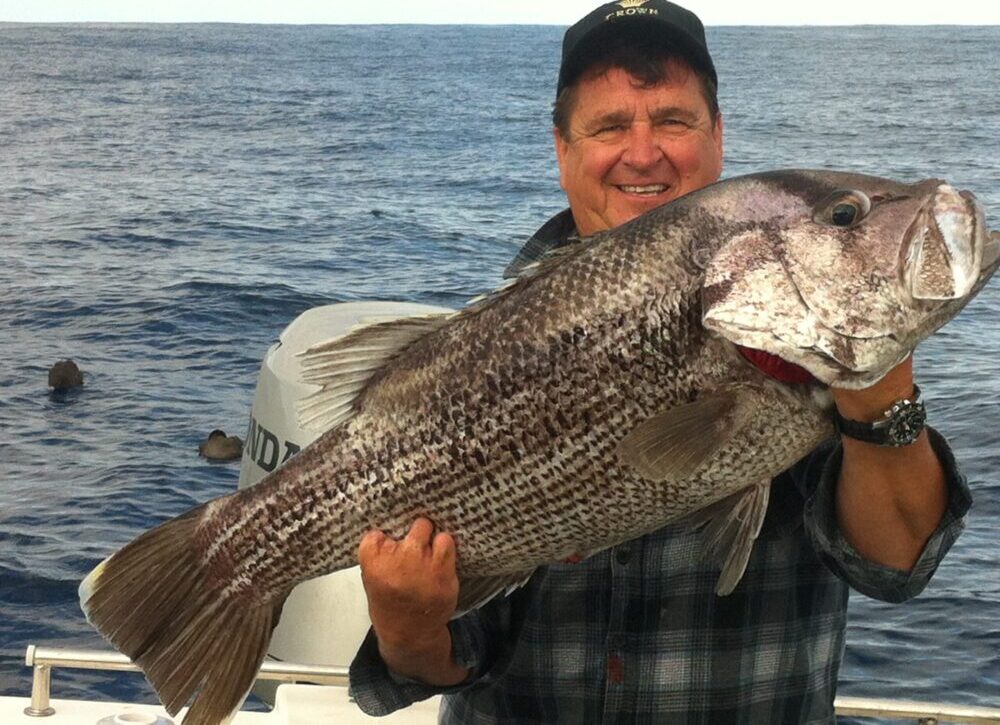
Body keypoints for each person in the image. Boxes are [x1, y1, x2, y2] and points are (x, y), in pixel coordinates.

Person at [348, 2, 971, 722]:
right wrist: (408, 626)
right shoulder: (492, 347)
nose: (643, 154)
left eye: (673, 121)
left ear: (717, 136)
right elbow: (450, 661)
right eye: (610, 126)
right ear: (562, 151)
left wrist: (879, 395)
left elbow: (895, 567)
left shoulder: (799, 317)